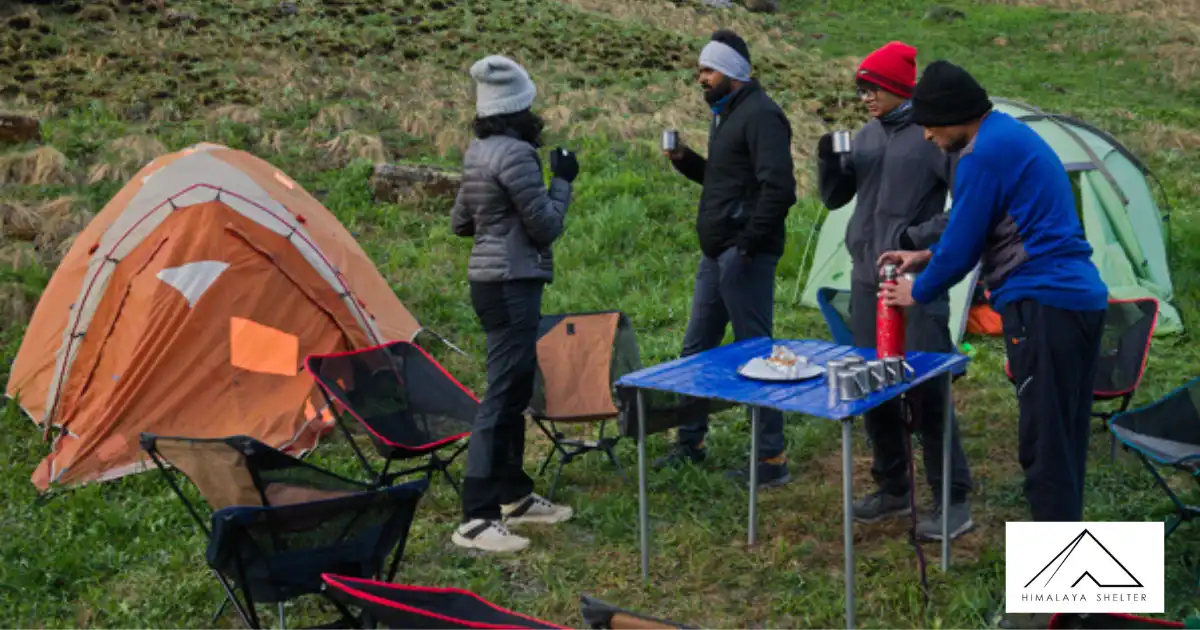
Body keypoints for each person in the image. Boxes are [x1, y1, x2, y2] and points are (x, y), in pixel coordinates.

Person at [878, 60, 1108, 523]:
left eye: (928, 125)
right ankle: (1072, 580)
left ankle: (1063, 589)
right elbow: (981, 226)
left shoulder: (981, 155)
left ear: (952, 114)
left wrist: (916, 293)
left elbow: (962, 250)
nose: (926, 136)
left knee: (1043, 450)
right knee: (1063, 441)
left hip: (1043, 304)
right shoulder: (1009, 134)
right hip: (1078, 300)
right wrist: (924, 257)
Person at [816, 41, 974, 540]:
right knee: (872, 383)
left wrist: (915, 239)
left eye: (874, 88)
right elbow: (836, 197)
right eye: (862, 88)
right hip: (866, 277)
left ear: (898, 89)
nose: (866, 97)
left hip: (914, 280)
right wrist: (828, 163)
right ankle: (892, 486)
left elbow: (968, 205)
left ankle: (953, 501)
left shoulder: (932, 136)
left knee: (926, 387)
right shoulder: (864, 136)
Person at [449, 54, 580, 553]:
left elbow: (461, 223)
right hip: (512, 283)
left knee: (515, 384)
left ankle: (514, 496)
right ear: (521, 105)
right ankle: (476, 518)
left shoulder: (477, 153)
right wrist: (563, 180)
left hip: (489, 281)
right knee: (503, 393)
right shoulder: (519, 156)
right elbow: (546, 224)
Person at [656, 29, 798, 488]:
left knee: (757, 352)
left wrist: (747, 246)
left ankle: (771, 459)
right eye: (700, 69)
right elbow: (724, 180)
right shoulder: (726, 115)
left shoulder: (762, 116)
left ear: (732, 73)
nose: (701, 78)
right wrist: (684, 160)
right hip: (716, 254)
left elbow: (780, 189)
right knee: (696, 347)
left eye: (708, 70)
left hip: (744, 257)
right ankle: (690, 442)